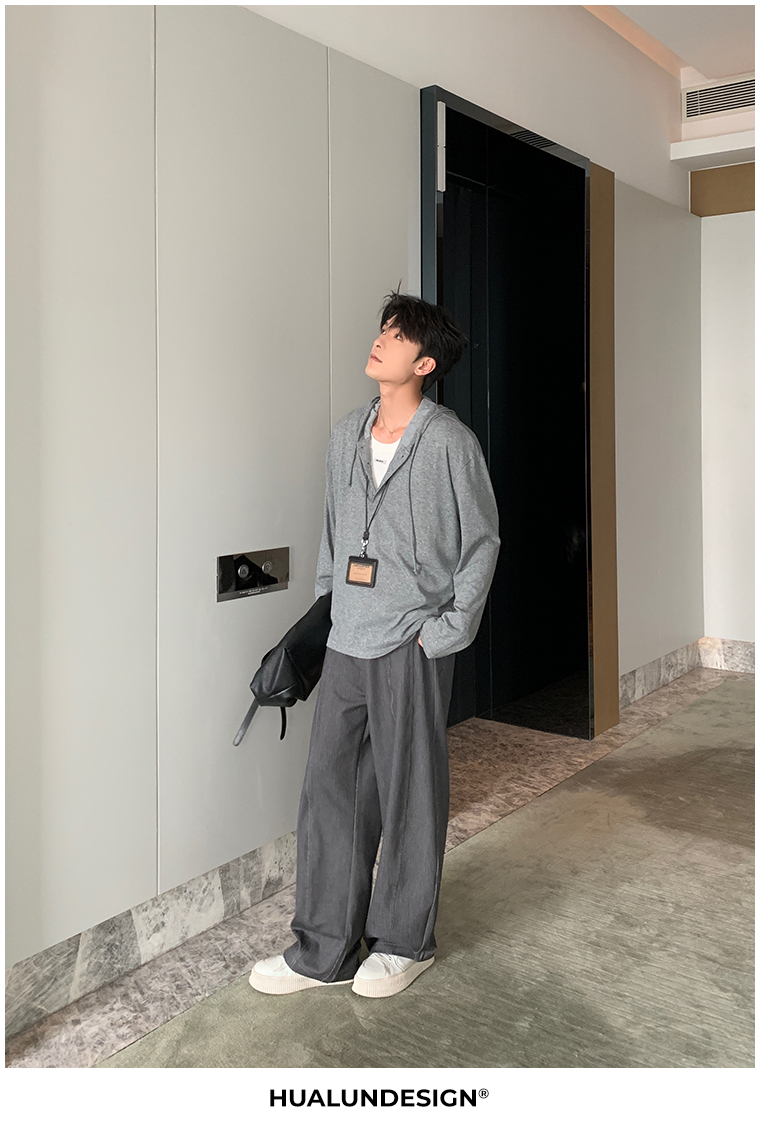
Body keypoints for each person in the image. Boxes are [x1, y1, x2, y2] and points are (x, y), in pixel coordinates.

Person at [249, 287, 500, 999]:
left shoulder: (449, 442)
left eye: (397, 335)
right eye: (383, 328)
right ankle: (322, 949)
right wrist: (331, 611)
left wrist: (447, 630)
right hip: (348, 641)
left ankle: (404, 942)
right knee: (329, 793)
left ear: (424, 363)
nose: (381, 339)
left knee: (410, 794)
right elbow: (334, 535)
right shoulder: (344, 436)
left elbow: (483, 541)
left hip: (411, 644)